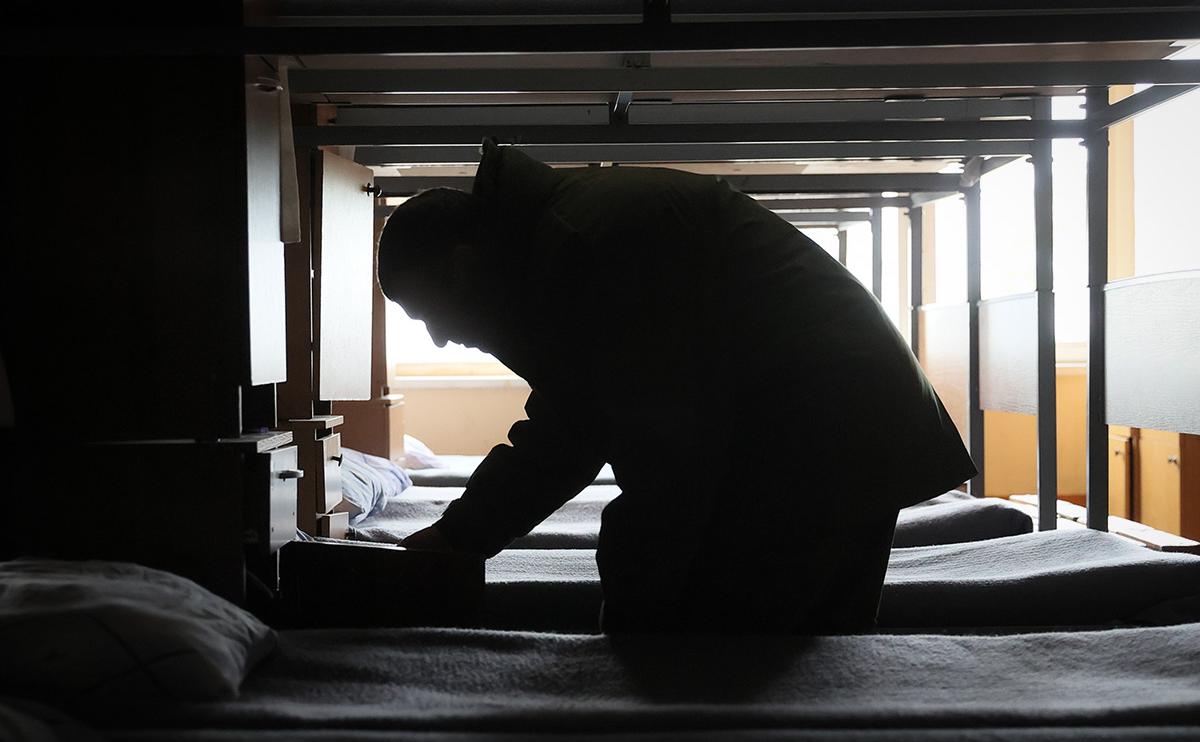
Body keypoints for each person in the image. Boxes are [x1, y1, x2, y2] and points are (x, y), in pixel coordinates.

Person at [377, 139, 976, 635]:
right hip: (830, 423)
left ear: (462, 266)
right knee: (780, 668)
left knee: (745, 662)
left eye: (429, 313)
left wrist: (633, 593)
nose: (437, 339)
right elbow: (572, 426)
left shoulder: (583, 247)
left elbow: (666, 454)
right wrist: (460, 536)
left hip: (827, 432)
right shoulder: (561, 247)